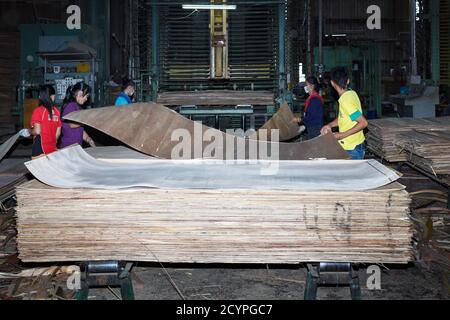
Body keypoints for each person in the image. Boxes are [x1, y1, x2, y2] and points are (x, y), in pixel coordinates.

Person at [321, 67, 368, 160]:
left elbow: (363, 123)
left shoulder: (346, 101)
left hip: (352, 149)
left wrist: (342, 135)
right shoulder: (351, 93)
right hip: (354, 145)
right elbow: (344, 117)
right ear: (348, 81)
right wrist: (329, 125)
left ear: (332, 83)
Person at [59, 82, 96, 149]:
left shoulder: (77, 107)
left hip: (75, 148)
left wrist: (88, 139)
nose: (86, 99)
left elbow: (79, 128)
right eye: (86, 96)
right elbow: (72, 124)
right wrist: (90, 120)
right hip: (69, 147)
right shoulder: (70, 105)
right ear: (80, 93)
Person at [29, 85, 62, 159]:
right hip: (52, 147)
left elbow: (37, 131)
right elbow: (58, 133)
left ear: (40, 97)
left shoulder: (38, 111)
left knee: (38, 170)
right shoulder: (57, 112)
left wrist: (28, 131)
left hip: (40, 148)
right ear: (52, 96)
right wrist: (52, 142)